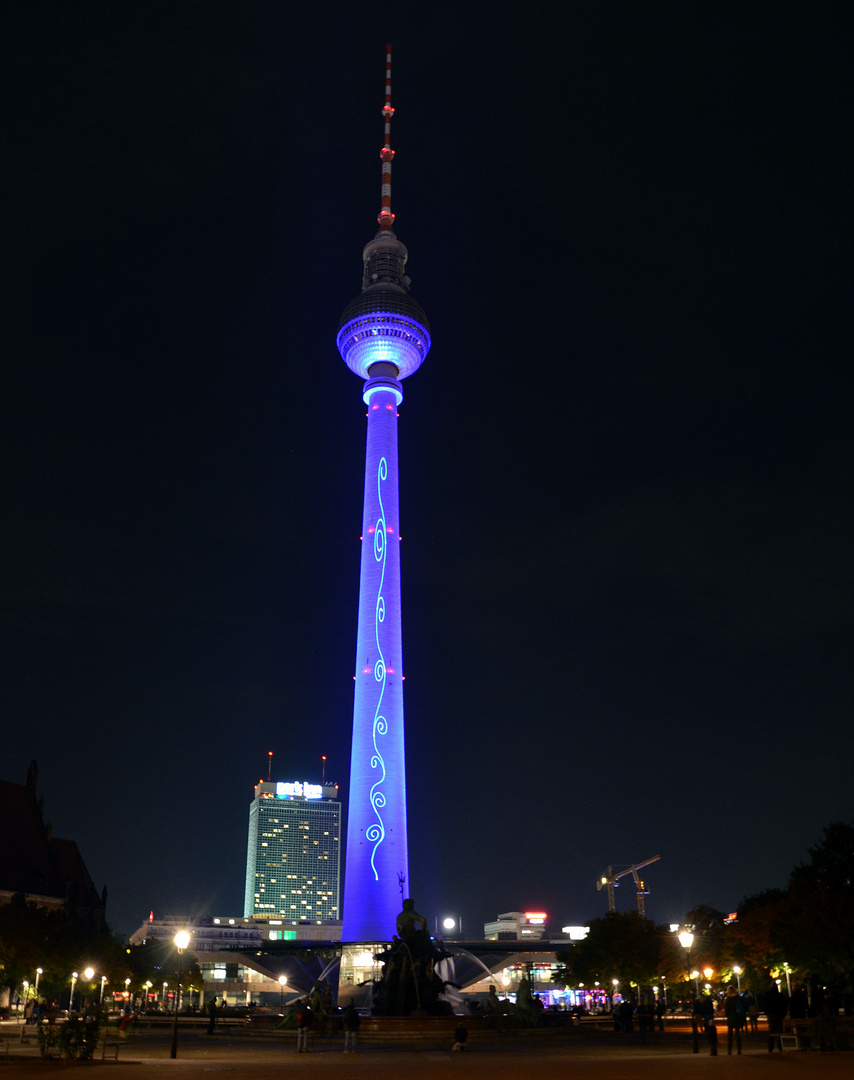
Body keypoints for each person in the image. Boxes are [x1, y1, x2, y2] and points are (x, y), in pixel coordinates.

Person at [724, 985, 743, 1054]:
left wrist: (726, 1015)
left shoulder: (729, 999)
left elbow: (727, 1009)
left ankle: (729, 1050)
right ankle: (739, 1049)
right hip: (737, 1017)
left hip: (731, 1017)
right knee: (737, 1034)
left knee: (730, 1034)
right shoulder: (738, 998)